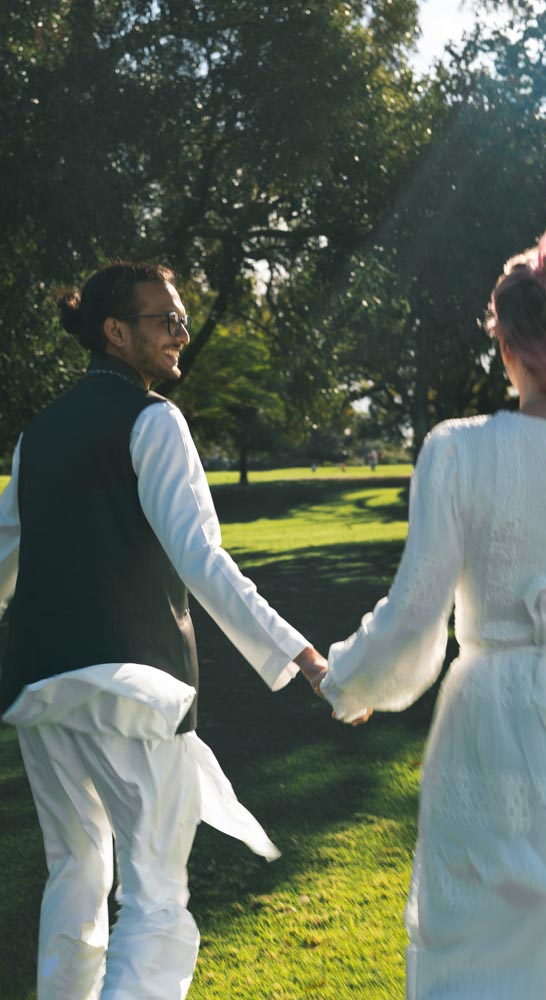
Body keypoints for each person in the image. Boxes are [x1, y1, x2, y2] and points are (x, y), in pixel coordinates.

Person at [320, 224, 546, 998]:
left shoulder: (457, 449)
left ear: (505, 343)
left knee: (481, 939)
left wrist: (349, 679)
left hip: (498, 714)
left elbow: (415, 614)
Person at [0, 262, 327, 1000]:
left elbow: (3, 559)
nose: (181, 333)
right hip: (131, 685)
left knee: (76, 871)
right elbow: (203, 562)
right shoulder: (154, 420)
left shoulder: (36, 434)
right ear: (117, 332)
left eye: (181, 319)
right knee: (154, 895)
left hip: (39, 685)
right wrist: (301, 655)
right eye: (165, 321)